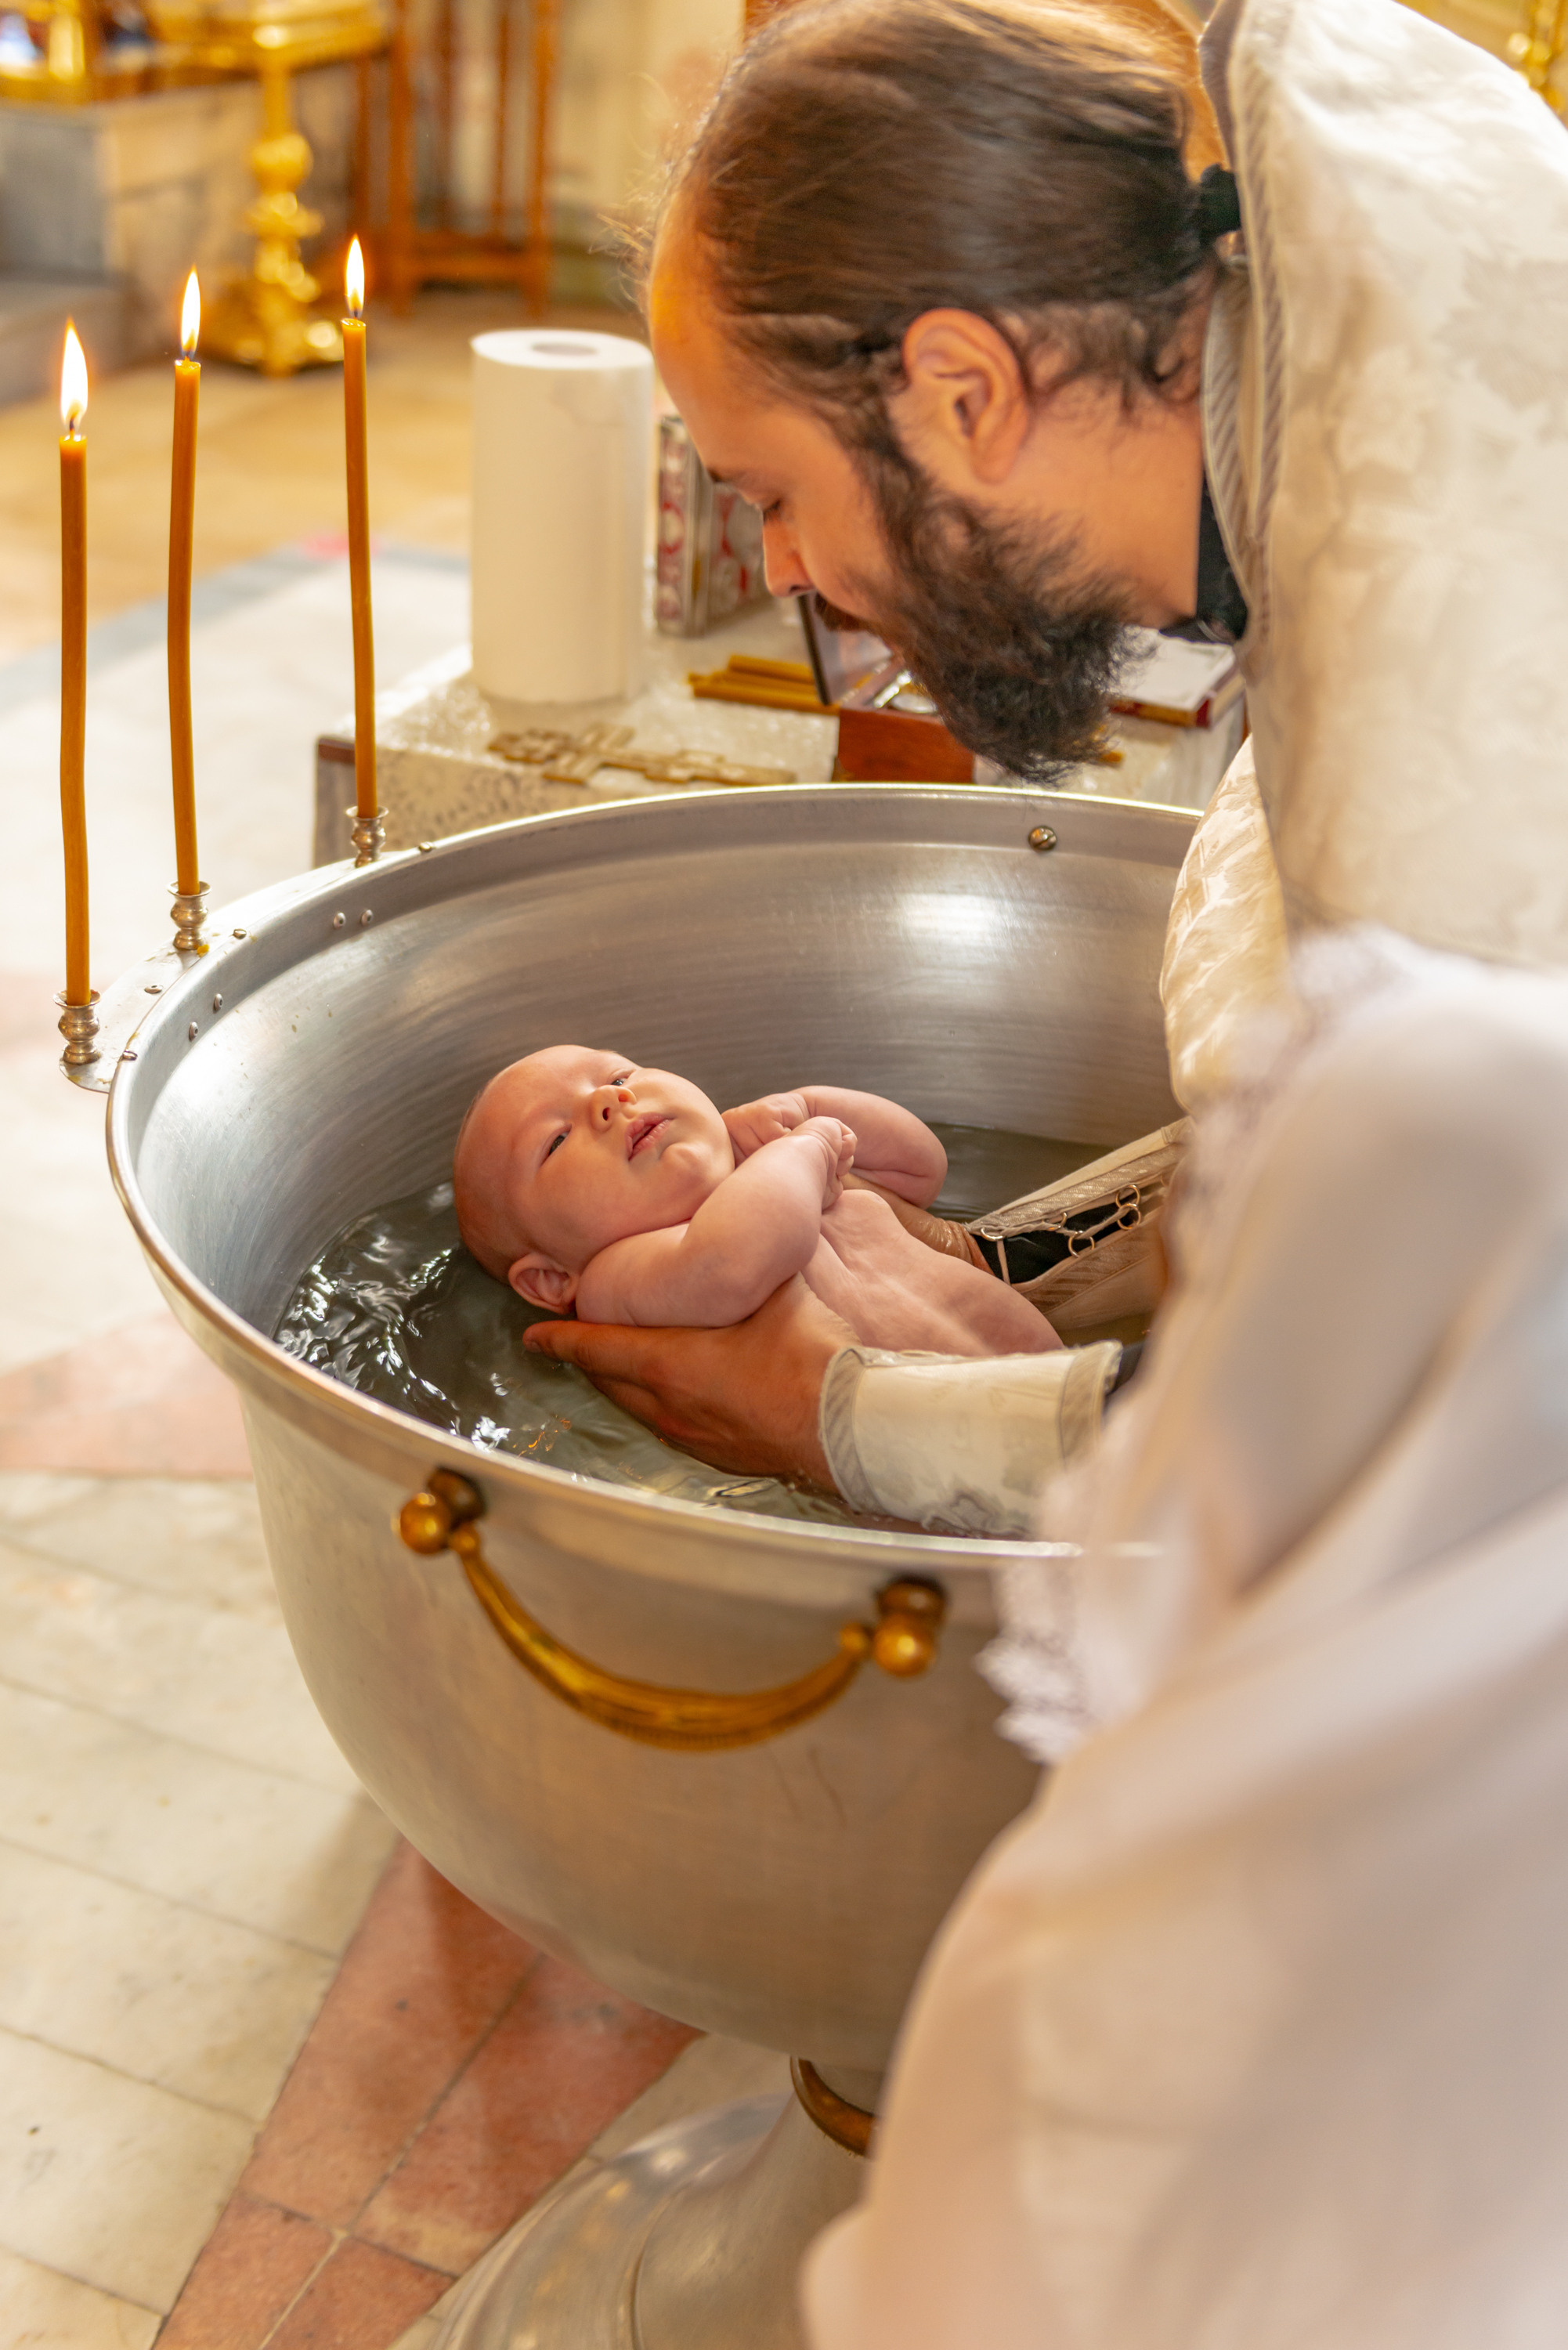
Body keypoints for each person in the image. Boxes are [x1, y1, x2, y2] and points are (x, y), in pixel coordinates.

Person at [510, 0, 1568, 2336]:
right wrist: (1012, 1258)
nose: (804, 578)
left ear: (966, 391)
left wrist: (831, 1410)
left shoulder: (1450, 696)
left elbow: (1374, 1442)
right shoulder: (1345, 320)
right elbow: (1347, 1157)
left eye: (776, 491)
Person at [453, 1044, 1064, 1354]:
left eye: (618, 1077)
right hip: (945, 1472)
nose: (608, 1102)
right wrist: (811, 1145)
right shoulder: (616, 1279)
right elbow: (734, 1264)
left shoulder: (773, 1170)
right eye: (557, 1141)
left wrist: (806, 1107)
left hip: (1059, 1391)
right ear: (551, 1280)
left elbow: (920, 1167)